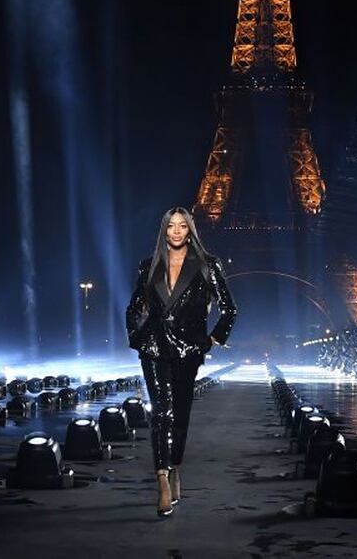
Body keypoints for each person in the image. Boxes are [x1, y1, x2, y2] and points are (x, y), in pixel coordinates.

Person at [125, 207, 237, 517]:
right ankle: (161, 479)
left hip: (188, 350)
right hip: (154, 348)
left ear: (190, 230)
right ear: (164, 230)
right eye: (171, 226)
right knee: (162, 412)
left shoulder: (207, 265)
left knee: (181, 415)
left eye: (182, 225)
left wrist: (210, 340)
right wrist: (136, 336)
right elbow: (134, 307)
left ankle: (175, 467)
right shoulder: (149, 266)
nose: (176, 231)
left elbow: (229, 310)